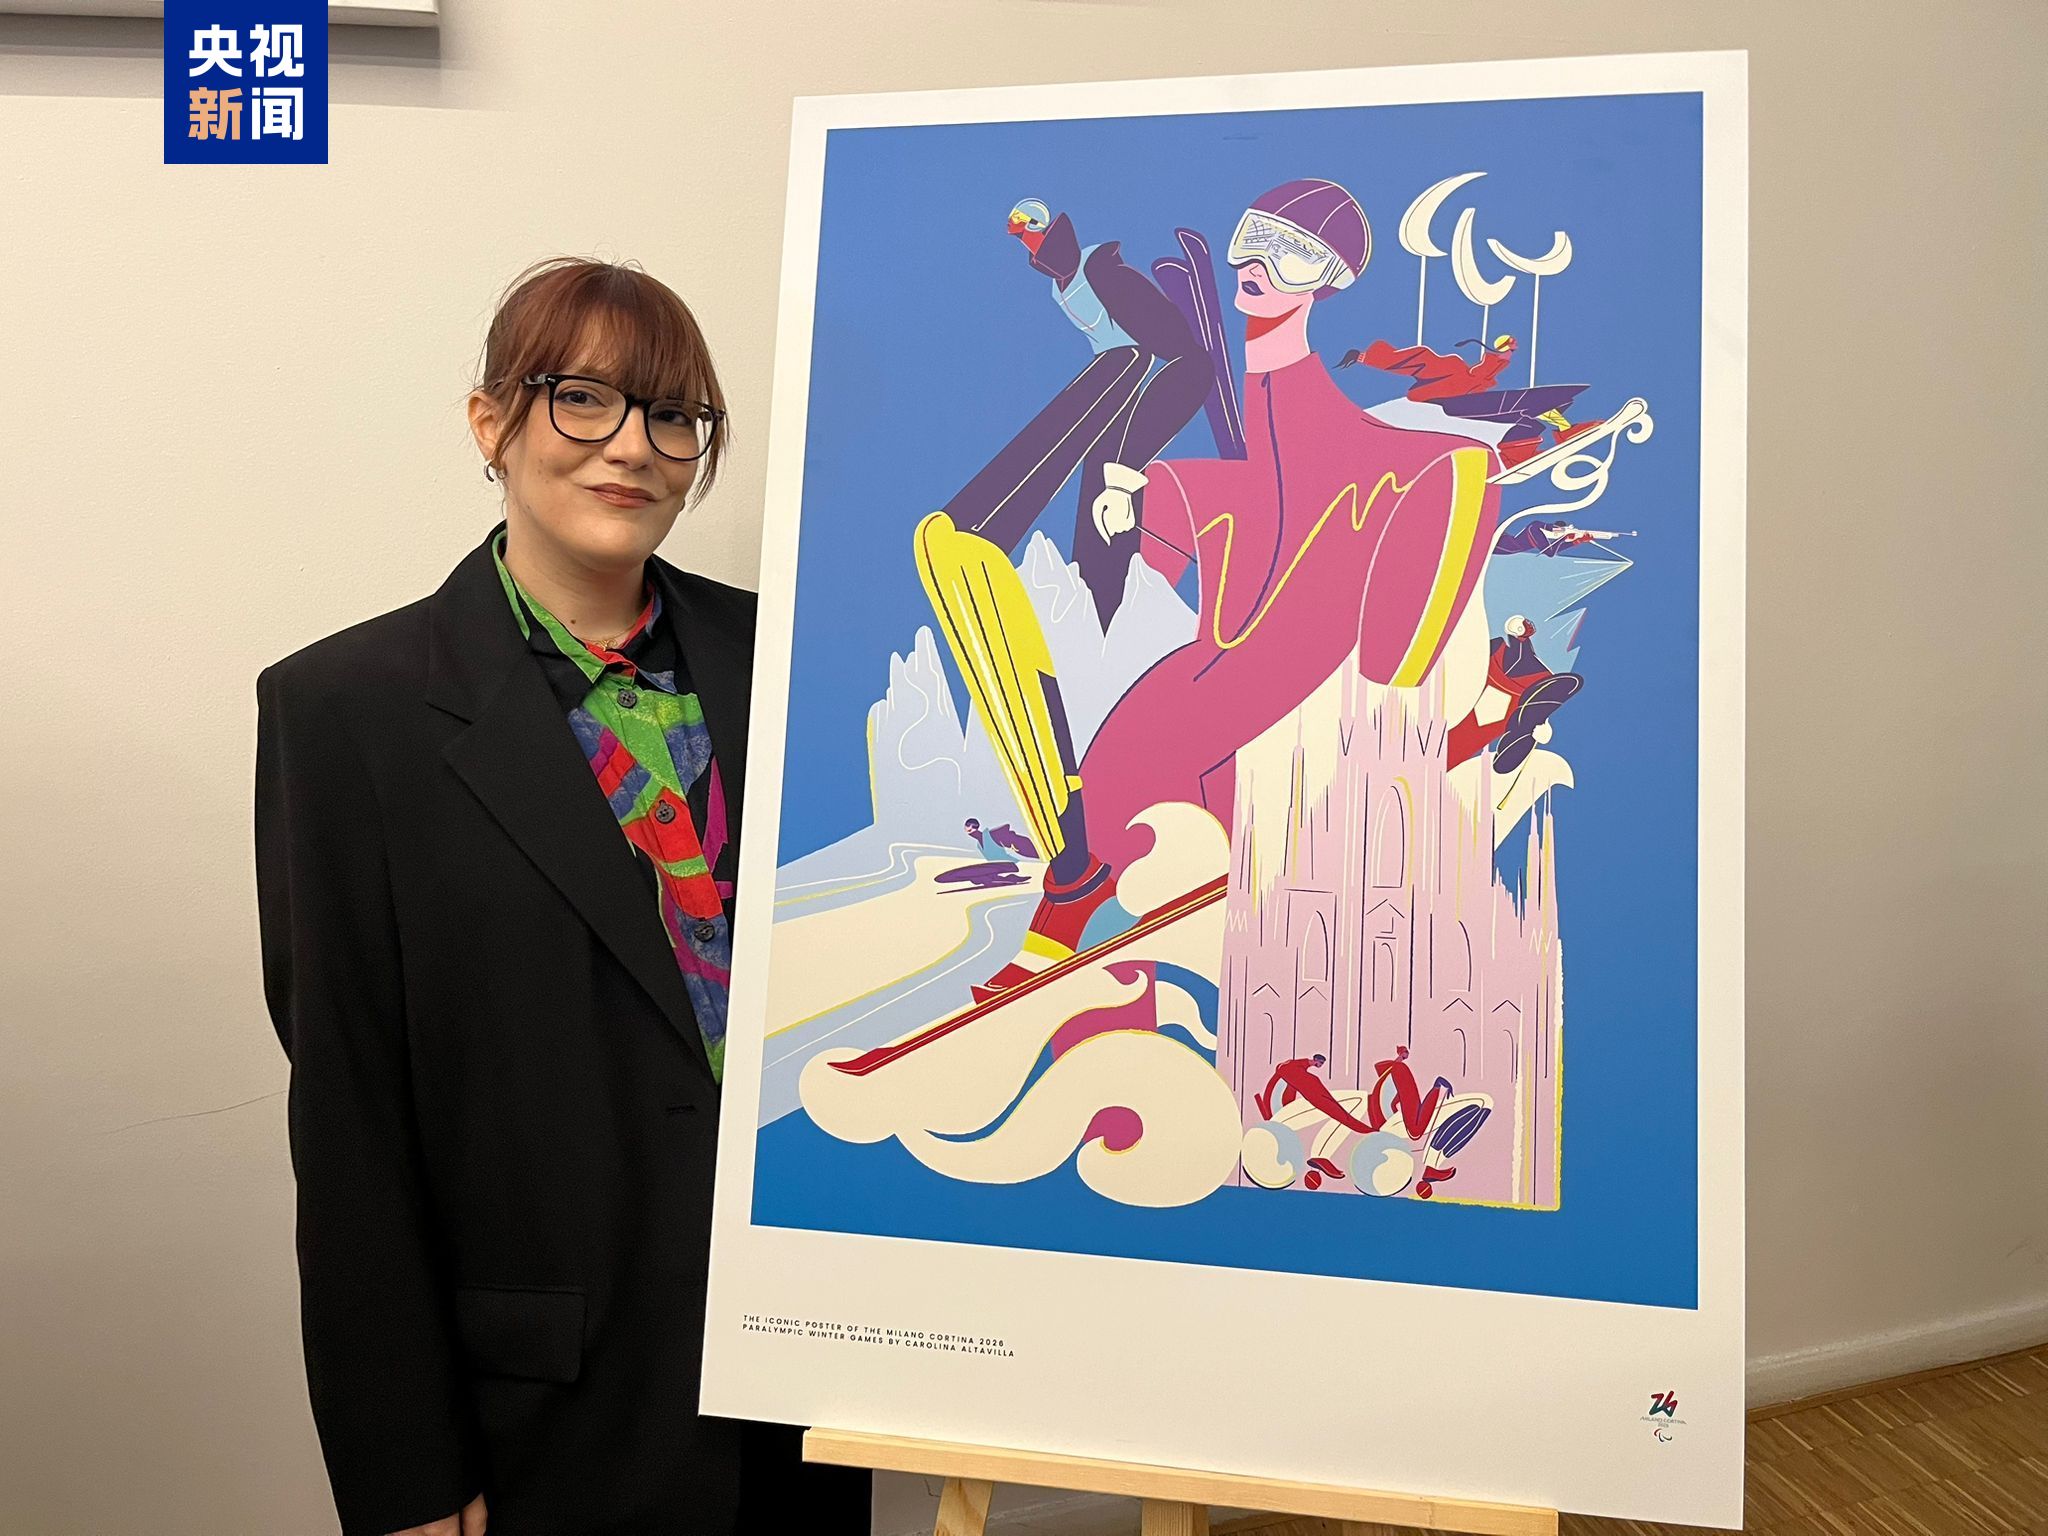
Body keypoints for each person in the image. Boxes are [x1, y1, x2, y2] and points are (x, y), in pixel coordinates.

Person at [253, 257, 869, 1536]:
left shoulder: (797, 660)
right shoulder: (346, 712)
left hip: (801, 1371)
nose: (632, 447)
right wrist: (402, 1465)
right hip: (541, 1406)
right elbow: (351, 1113)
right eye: (582, 398)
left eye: (672, 414)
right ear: (492, 422)